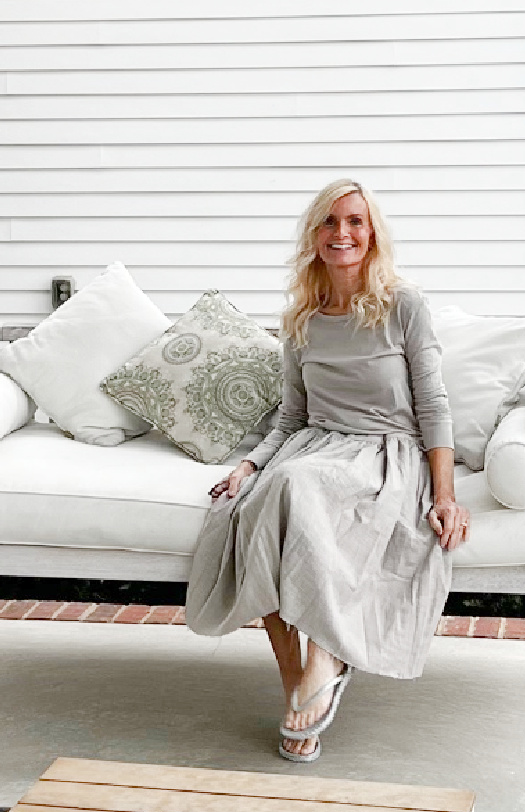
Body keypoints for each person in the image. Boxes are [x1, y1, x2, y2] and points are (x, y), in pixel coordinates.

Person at [186, 179, 470, 762]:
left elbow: (434, 407)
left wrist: (445, 495)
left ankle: (324, 656)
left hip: (385, 454)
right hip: (312, 447)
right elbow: (290, 419)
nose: (343, 233)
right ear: (314, 236)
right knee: (255, 504)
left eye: (356, 222)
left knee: (293, 486)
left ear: (372, 233)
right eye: (330, 223)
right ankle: (298, 676)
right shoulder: (301, 321)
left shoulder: (403, 307)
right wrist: (246, 465)